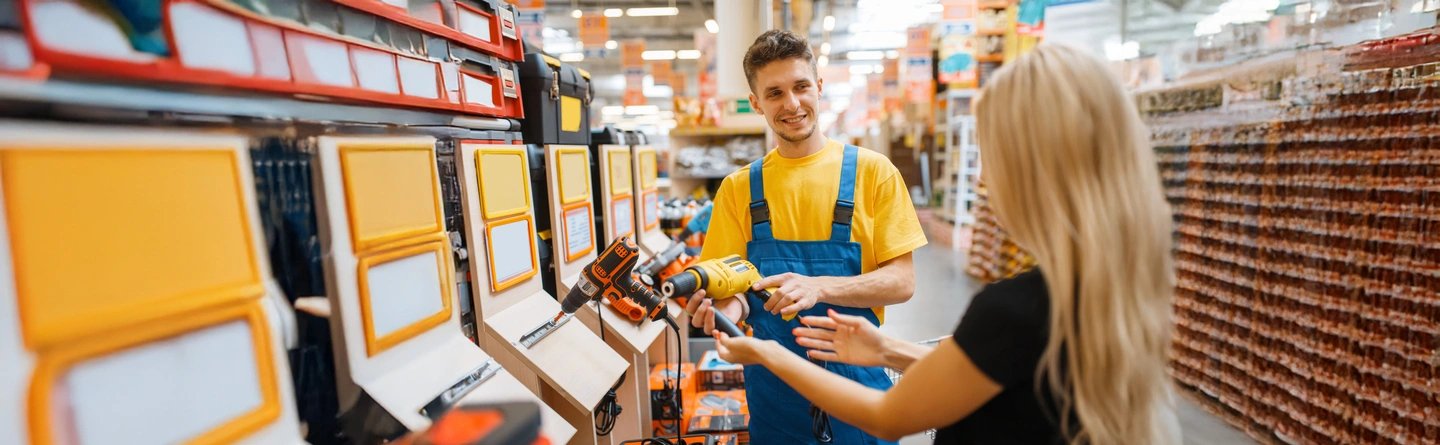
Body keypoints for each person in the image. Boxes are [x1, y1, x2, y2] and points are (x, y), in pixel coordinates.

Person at [712, 43, 1183, 444]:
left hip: (844, 391)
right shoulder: (1107, 289)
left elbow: (889, 416)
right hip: (781, 401)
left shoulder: (1013, 310)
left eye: (992, 152)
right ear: (757, 101)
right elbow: (994, 373)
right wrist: (887, 351)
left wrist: (765, 351)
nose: (983, 177)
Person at [684, 29, 927, 445]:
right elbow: (735, 290)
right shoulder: (738, 189)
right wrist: (720, 311)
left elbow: (902, 282)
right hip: (775, 401)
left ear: (818, 86)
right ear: (757, 103)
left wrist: (818, 286)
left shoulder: (874, 173)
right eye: (775, 93)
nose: (792, 104)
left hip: (861, 397)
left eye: (800, 87)